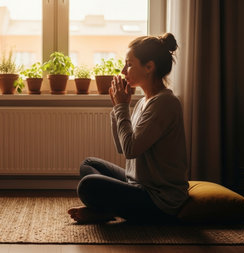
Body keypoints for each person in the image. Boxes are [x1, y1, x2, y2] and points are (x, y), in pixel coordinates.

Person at [68, 33, 189, 223]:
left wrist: (121, 107)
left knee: (88, 185)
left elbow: (131, 150)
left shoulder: (166, 103)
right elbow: (121, 146)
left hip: (159, 200)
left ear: (149, 67)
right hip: (137, 184)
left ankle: (105, 211)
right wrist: (117, 108)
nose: (124, 70)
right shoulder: (143, 102)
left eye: (129, 64)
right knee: (89, 164)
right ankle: (106, 210)